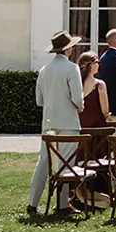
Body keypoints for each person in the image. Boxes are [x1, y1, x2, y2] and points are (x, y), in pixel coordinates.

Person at [28, 30, 86, 216]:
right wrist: (79, 106)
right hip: (68, 122)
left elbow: (39, 100)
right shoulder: (71, 68)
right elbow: (77, 97)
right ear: (68, 49)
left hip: (49, 123)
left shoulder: (44, 70)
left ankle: (33, 202)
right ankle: (61, 204)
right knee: (66, 165)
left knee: (44, 162)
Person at [77, 51, 111, 129]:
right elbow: (105, 111)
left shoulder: (75, 83)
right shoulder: (99, 84)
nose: (99, 65)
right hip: (96, 126)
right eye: (97, 62)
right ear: (91, 65)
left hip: (79, 124)